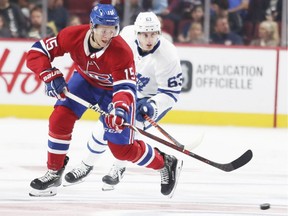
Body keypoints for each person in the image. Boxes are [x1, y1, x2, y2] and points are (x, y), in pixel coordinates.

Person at [26, 4, 183, 198]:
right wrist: (48, 73)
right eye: (103, 30)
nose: (107, 35)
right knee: (59, 118)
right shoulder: (72, 35)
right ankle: (54, 172)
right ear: (92, 26)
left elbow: (125, 88)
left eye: (112, 30)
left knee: (121, 150)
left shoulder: (122, 51)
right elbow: (37, 50)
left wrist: (120, 110)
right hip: (84, 81)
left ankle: (164, 162)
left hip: (113, 92)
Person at [65, 11, 183, 191]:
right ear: (137, 33)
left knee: (127, 138)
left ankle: (119, 167)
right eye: (145, 34)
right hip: (124, 91)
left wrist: (152, 106)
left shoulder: (168, 56)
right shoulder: (125, 36)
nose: (149, 39)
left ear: (159, 33)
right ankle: (86, 165)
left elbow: (171, 92)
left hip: (149, 101)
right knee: (102, 130)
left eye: (153, 34)